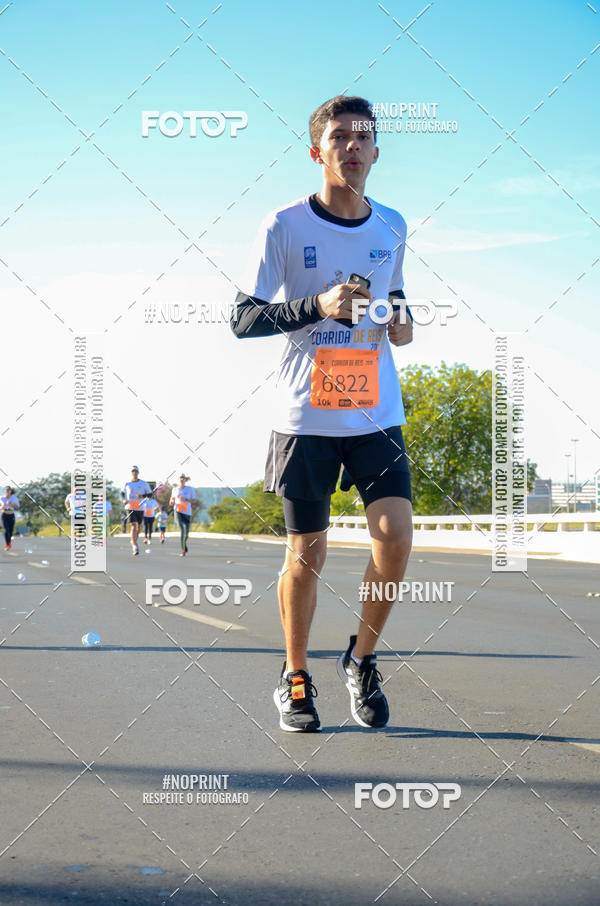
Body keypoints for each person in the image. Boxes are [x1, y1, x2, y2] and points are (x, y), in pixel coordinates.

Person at [231, 96, 414, 732]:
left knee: (396, 539)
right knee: (307, 552)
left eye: (364, 137)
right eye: (339, 137)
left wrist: (400, 319)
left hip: (374, 411)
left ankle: (361, 660)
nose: (352, 147)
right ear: (318, 151)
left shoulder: (392, 224)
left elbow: (395, 297)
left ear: (377, 151)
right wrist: (318, 306)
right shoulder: (281, 224)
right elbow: (243, 319)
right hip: (305, 414)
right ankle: (296, 676)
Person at [121, 466, 151, 555]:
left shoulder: (144, 483)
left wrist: (142, 496)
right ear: (131, 473)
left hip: (140, 507)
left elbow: (150, 494)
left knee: (139, 527)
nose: (134, 473)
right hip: (130, 507)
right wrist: (123, 499)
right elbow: (122, 493)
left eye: (136, 471)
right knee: (133, 526)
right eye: (133, 471)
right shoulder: (127, 483)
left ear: (138, 472)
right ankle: (135, 545)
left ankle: (134, 540)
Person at [169, 475, 196, 557]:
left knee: (187, 533)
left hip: (187, 512)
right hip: (178, 511)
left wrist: (186, 499)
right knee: (182, 530)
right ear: (178, 480)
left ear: (185, 480)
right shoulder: (175, 489)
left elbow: (194, 500)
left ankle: (184, 544)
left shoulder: (190, 489)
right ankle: (183, 549)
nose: (181, 479)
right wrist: (172, 501)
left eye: (183, 478)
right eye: (180, 478)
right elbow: (171, 500)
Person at [1, 486, 20, 551]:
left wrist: (11, 504)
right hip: (4, 515)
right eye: (6, 491)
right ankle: (8, 545)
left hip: (11, 515)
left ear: (10, 491)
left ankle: (9, 542)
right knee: (6, 530)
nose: (7, 492)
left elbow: (17, 507)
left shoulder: (14, 498)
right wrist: (1, 507)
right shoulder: (2, 498)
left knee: (11, 531)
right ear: (4, 491)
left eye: (9, 491)